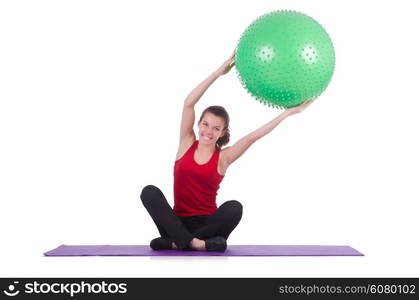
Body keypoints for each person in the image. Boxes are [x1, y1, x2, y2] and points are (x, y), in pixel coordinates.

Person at [140, 51, 312, 252]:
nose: (208, 131)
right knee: (149, 192)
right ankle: (197, 244)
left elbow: (251, 138)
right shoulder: (186, 143)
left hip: (207, 225)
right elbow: (188, 103)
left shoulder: (223, 157)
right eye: (205, 124)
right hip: (175, 222)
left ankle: (178, 243)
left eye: (216, 128)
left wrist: (288, 113)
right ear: (198, 124)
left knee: (234, 207)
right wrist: (218, 73)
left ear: (222, 133)